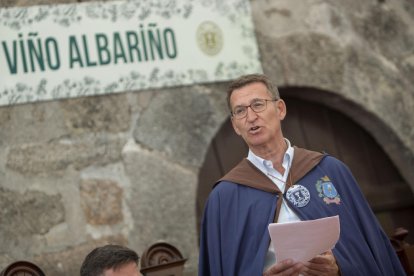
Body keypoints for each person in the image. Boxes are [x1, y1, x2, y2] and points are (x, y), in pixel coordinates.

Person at [198, 74, 405, 276]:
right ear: (235, 125)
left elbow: (370, 250)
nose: (251, 117)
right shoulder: (224, 198)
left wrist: (340, 268)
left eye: (258, 105)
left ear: (280, 109)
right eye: (240, 111)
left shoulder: (330, 171)